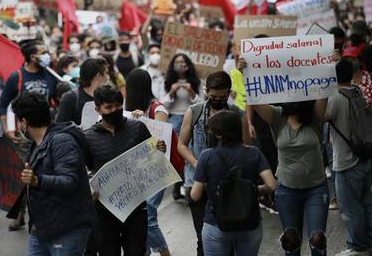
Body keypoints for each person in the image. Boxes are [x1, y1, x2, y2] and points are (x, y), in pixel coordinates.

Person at [0, 91, 96, 255]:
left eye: (19, 122)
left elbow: (69, 181)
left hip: (66, 228)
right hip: (42, 226)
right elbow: (26, 178)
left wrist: (37, 181)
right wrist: (2, 171)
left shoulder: (62, 141)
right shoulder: (37, 145)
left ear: (24, 122)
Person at [178, 71, 249, 256]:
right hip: (198, 186)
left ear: (229, 93)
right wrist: (198, 164)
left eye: (222, 97)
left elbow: (246, 148)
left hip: (229, 188)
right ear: (205, 91)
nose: (217, 100)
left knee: (230, 239)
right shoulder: (193, 112)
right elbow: (181, 145)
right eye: (213, 97)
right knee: (203, 240)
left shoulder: (237, 114)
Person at [83, 85, 157, 255]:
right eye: (109, 107)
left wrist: (158, 149)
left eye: (118, 105)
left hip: (135, 207)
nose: (114, 110)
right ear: (98, 109)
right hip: (104, 210)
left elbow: (152, 159)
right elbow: (86, 169)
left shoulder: (137, 128)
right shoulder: (88, 137)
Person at [190, 110, 276, 256]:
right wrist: (255, 189)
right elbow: (271, 185)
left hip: (216, 224)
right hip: (250, 223)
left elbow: (195, 195)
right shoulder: (254, 153)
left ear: (218, 134)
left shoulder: (207, 156)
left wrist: (212, 185)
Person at [250, 98, 329, 256]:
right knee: (291, 242)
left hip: (316, 189)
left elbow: (322, 88)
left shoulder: (315, 115)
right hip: (287, 190)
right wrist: (248, 74)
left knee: (317, 240)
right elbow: (256, 99)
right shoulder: (277, 116)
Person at [326, 60, 372, 256]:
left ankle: (357, 246)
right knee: (367, 202)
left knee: (350, 208)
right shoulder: (358, 91)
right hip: (366, 158)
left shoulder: (335, 98)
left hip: (347, 161)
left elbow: (322, 117)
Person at [125, 69, 172, 256]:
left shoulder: (157, 109)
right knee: (138, 218)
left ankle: (165, 253)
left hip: (156, 170)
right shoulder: (127, 111)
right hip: (136, 170)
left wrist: (142, 120)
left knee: (148, 214)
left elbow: (160, 142)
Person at [0, 41, 59, 145]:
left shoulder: (51, 74)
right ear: (33, 57)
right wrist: (7, 130)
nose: (47, 56)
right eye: (44, 53)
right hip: (24, 136)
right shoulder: (16, 77)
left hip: (47, 132)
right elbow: (3, 106)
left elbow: (58, 102)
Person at [56, 58, 110, 126]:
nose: (108, 77)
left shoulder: (106, 97)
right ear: (98, 75)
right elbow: (60, 127)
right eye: (106, 73)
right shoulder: (71, 98)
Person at [162, 53, 202, 135]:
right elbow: (162, 105)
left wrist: (191, 92)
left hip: (191, 117)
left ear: (188, 66)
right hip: (173, 117)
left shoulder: (196, 82)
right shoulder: (167, 82)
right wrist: (171, 92)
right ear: (173, 66)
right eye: (177, 62)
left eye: (182, 62)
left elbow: (201, 104)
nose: (180, 65)